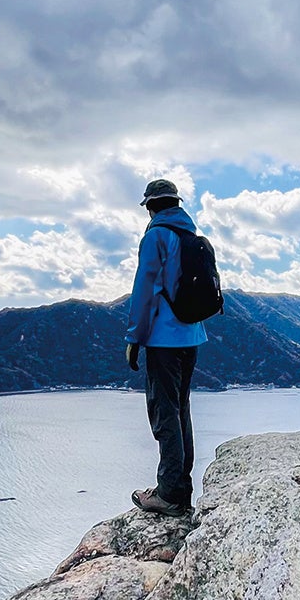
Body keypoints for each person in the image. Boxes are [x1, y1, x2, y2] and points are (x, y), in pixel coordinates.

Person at [125, 177, 208, 515]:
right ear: (177, 203)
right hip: (192, 336)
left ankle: (169, 494)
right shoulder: (190, 236)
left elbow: (144, 291)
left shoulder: (156, 236)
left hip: (163, 339)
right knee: (180, 410)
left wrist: (134, 338)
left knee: (163, 413)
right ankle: (181, 489)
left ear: (150, 207)